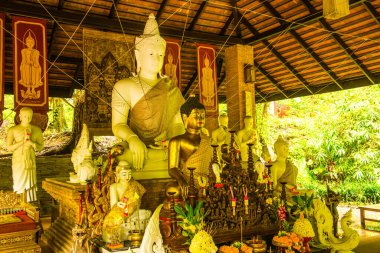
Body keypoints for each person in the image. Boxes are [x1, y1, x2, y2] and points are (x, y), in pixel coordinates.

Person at [111, 14, 185, 174]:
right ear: (138, 55)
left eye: (160, 55)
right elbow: (118, 125)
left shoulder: (170, 88)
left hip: (163, 147)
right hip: (135, 147)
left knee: (190, 150)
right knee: (121, 157)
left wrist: (171, 141)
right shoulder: (124, 86)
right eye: (151, 54)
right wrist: (132, 139)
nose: (156, 59)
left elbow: (177, 124)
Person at [168, 97, 213, 199]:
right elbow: (172, 168)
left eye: (203, 116)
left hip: (206, 181)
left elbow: (215, 163)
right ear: (185, 118)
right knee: (172, 190)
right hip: (188, 181)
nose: (201, 119)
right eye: (196, 116)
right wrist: (181, 180)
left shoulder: (209, 140)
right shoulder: (176, 141)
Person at [7, 107, 43, 202]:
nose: (27, 118)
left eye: (29, 116)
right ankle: (19, 201)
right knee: (19, 181)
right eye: (25, 116)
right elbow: (9, 147)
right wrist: (22, 142)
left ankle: (30, 203)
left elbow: (41, 147)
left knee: (30, 183)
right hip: (18, 160)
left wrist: (32, 143)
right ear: (20, 116)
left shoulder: (37, 130)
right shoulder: (13, 130)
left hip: (30, 159)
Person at [19, 32, 43, 99]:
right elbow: (23, 60)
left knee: (37, 69)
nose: (30, 44)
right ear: (26, 43)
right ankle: (28, 89)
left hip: (34, 66)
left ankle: (32, 89)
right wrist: (24, 64)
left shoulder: (36, 52)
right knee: (25, 68)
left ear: (34, 43)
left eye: (32, 42)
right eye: (28, 42)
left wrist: (34, 64)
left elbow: (37, 61)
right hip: (26, 65)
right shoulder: (23, 51)